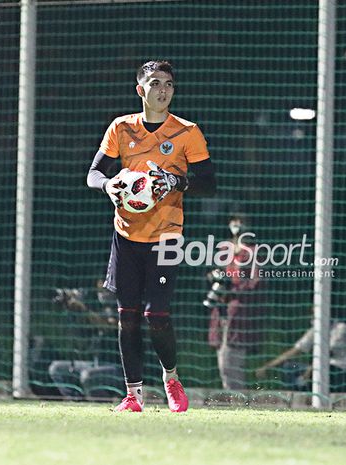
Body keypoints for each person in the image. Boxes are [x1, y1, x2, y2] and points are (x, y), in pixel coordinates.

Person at [86, 60, 217, 412]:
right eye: (155, 83)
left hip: (167, 236)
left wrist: (178, 181)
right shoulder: (121, 128)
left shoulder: (187, 132)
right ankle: (133, 396)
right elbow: (94, 174)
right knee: (126, 315)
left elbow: (208, 183)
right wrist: (110, 185)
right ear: (140, 90)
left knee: (155, 315)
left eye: (169, 84)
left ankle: (171, 379)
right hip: (126, 234)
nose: (163, 89)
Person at [205, 214, 263, 390]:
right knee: (222, 362)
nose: (236, 225)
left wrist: (233, 286)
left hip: (239, 314)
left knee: (231, 363)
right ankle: (234, 400)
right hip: (221, 310)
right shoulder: (226, 249)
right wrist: (215, 277)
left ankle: (238, 400)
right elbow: (213, 273)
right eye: (233, 221)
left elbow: (257, 281)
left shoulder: (254, 251)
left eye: (240, 222)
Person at [47, 280, 125, 400]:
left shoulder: (121, 307)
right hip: (94, 364)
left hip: (117, 368)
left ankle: (102, 405)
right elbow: (82, 346)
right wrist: (75, 313)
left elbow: (108, 325)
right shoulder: (96, 306)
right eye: (100, 291)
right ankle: (75, 403)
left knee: (87, 376)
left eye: (105, 290)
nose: (102, 294)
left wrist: (83, 309)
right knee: (56, 368)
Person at [255, 316, 346, 392]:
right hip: (325, 369)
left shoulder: (341, 328)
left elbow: (326, 355)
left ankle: (306, 389)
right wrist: (268, 366)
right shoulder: (316, 329)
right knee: (289, 367)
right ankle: (298, 394)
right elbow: (295, 350)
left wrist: (308, 372)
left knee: (322, 370)